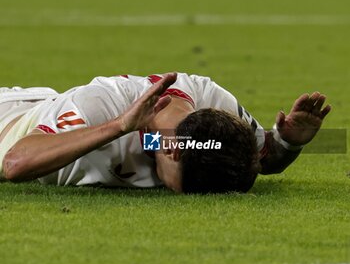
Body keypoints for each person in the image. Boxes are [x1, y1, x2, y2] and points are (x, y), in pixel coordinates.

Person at [0, 72, 331, 193]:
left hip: (43, 101)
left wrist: (286, 142)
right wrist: (118, 127)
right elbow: (14, 163)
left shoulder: (215, 108)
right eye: (182, 188)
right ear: (173, 153)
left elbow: (264, 158)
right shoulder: (100, 108)